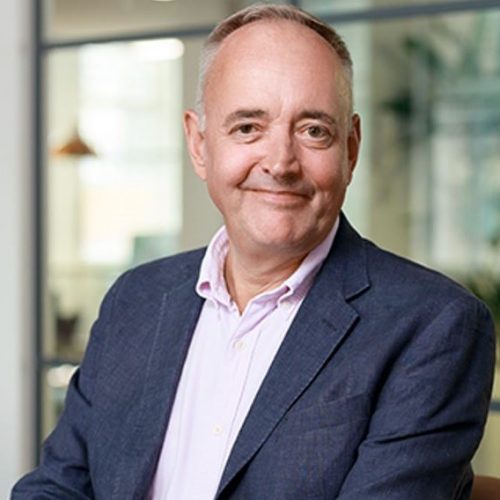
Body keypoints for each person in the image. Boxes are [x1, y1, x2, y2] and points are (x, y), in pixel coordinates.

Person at [12, 4, 496, 500]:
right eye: (248, 127)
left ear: (350, 149)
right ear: (199, 144)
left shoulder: (434, 325)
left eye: (313, 130)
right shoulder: (135, 299)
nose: (281, 163)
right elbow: (58, 486)